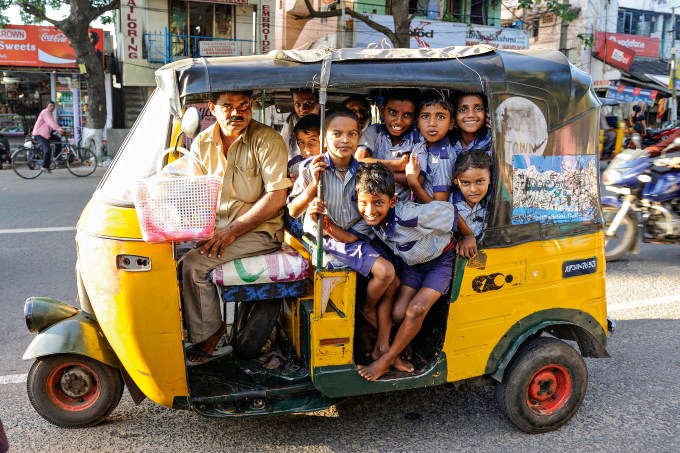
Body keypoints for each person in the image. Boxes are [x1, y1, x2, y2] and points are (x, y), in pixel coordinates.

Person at [180, 90, 292, 365]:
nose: (236, 113)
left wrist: (232, 231)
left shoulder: (267, 140)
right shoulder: (202, 143)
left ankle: (210, 335)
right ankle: (195, 326)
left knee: (193, 266)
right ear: (212, 108)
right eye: (227, 106)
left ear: (251, 106)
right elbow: (198, 194)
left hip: (260, 232)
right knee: (174, 259)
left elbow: (277, 196)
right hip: (220, 229)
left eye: (243, 105)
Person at [288, 108, 398, 358]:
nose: (345, 140)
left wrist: (328, 223)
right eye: (337, 134)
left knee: (395, 283)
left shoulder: (363, 172)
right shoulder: (310, 168)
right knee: (385, 272)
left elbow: (357, 232)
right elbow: (294, 210)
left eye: (352, 134)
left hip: (354, 237)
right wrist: (314, 187)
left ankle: (375, 330)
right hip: (325, 240)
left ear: (359, 137)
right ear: (325, 137)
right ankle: (366, 312)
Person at [354, 162, 477, 381]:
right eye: (364, 203)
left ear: (392, 202)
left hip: (440, 259)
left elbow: (448, 211)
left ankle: (387, 359)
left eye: (378, 203)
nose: (370, 211)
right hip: (413, 264)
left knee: (416, 309)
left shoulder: (409, 215)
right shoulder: (370, 219)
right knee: (399, 313)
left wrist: (467, 236)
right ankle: (394, 348)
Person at [355, 89, 421, 201]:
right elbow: (359, 161)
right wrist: (397, 165)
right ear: (382, 111)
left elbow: (418, 180)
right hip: (371, 202)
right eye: (393, 113)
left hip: (402, 205)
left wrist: (374, 170)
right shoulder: (374, 131)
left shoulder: (417, 139)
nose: (399, 121)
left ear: (414, 118)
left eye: (407, 115)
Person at [405, 89, 457, 203]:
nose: (432, 123)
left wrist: (413, 183)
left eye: (440, 117)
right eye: (425, 116)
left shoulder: (444, 159)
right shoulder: (422, 142)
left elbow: (439, 206)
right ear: (417, 122)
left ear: (451, 123)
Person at [452, 150, 492, 241]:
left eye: (480, 181)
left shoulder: (494, 203)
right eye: (465, 183)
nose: (473, 189)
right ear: (456, 181)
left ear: (489, 178)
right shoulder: (450, 204)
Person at [280, 88, 321, 173]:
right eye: (297, 104)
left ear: (319, 103)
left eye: (309, 103)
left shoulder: (330, 122)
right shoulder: (291, 122)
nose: (303, 108)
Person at [32, 100, 65, 173]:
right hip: (40, 134)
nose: (52, 107)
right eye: (51, 106)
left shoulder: (49, 113)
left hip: (47, 133)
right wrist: (60, 129)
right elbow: (51, 123)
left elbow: (52, 124)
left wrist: (59, 130)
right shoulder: (45, 112)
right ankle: (44, 166)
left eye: (53, 106)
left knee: (58, 140)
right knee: (47, 149)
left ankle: (56, 157)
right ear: (47, 106)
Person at [290, 113, 321, 181]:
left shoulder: (336, 164)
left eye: (312, 140)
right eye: (301, 142)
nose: (306, 148)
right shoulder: (294, 166)